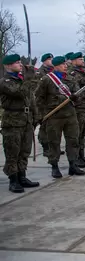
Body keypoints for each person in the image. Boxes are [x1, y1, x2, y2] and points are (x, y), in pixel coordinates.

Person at [35, 56, 85, 178]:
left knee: (73, 140)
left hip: (70, 115)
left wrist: (75, 97)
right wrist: (41, 115)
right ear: (56, 66)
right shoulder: (47, 80)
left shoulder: (70, 78)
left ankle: (73, 164)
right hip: (54, 116)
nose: (65, 66)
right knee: (54, 142)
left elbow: (78, 94)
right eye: (63, 64)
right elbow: (38, 98)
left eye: (65, 64)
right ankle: (54, 166)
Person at [0, 54, 40, 193]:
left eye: (19, 62)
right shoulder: (5, 81)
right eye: (17, 63)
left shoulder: (22, 80)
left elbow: (30, 98)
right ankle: (13, 179)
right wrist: (29, 79)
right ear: (8, 65)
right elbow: (19, 93)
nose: (20, 65)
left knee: (24, 151)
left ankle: (22, 176)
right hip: (13, 121)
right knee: (13, 151)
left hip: (26, 119)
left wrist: (35, 116)